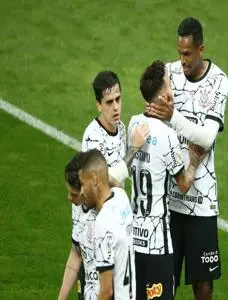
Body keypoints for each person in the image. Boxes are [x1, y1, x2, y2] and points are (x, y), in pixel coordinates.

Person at [148, 17, 228, 300]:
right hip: (169, 199)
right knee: (163, 280)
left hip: (202, 201)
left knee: (203, 284)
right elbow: (151, 113)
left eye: (187, 54)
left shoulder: (218, 81)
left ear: (201, 49)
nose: (181, 60)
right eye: (179, 52)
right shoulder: (169, 74)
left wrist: (173, 117)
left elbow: (206, 138)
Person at [128, 60, 205, 300]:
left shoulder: (132, 124)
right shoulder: (168, 136)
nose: (173, 91)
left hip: (132, 239)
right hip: (156, 243)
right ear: (162, 97)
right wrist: (193, 160)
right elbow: (183, 183)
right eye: (169, 86)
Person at [77, 70, 149, 297]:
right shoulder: (92, 137)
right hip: (95, 229)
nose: (116, 107)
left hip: (116, 226)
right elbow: (108, 180)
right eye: (109, 102)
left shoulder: (121, 130)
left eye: (118, 99)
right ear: (99, 105)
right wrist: (134, 149)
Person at [79, 149, 136, 300]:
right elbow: (112, 183)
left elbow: (106, 292)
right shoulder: (121, 196)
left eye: (83, 184)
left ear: (94, 181)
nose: (81, 192)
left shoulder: (103, 222)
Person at [58, 152, 100, 300]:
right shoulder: (80, 207)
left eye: (74, 194)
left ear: (85, 189)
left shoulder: (111, 215)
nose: (69, 198)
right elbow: (76, 253)